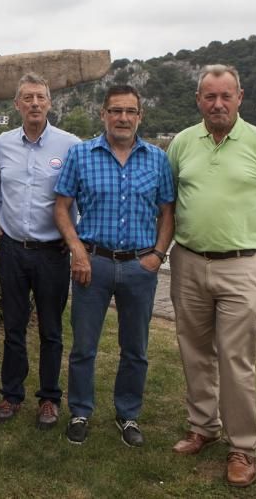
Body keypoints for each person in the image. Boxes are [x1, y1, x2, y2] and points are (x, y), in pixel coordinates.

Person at [167, 64, 256, 488]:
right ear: (198, 101)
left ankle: (242, 446)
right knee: (194, 349)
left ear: (240, 97)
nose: (218, 104)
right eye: (210, 96)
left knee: (236, 358)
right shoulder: (182, 143)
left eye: (226, 96)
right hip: (187, 261)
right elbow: (169, 204)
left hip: (242, 266)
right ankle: (202, 426)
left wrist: (251, 239)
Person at [53, 84, 174, 448]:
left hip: (140, 266)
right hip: (94, 263)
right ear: (103, 114)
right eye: (116, 111)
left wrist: (157, 255)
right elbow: (61, 208)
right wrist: (76, 249)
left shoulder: (157, 159)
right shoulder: (80, 154)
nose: (123, 118)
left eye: (130, 111)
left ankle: (128, 414)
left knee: (135, 348)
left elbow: (169, 212)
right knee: (84, 347)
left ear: (140, 116)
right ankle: (79, 412)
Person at [0, 73, 80, 429]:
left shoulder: (70, 145)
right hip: (12, 249)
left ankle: (49, 398)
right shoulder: (2, 144)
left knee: (51, 329)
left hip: (52, 252)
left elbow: (80, 196)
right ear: (17, 105)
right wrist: (0, 223)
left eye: (40, 97)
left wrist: (73, 237)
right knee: (13, 327)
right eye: (27, 98)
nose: (34, 104)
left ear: (50, 103)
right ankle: (11, 394)